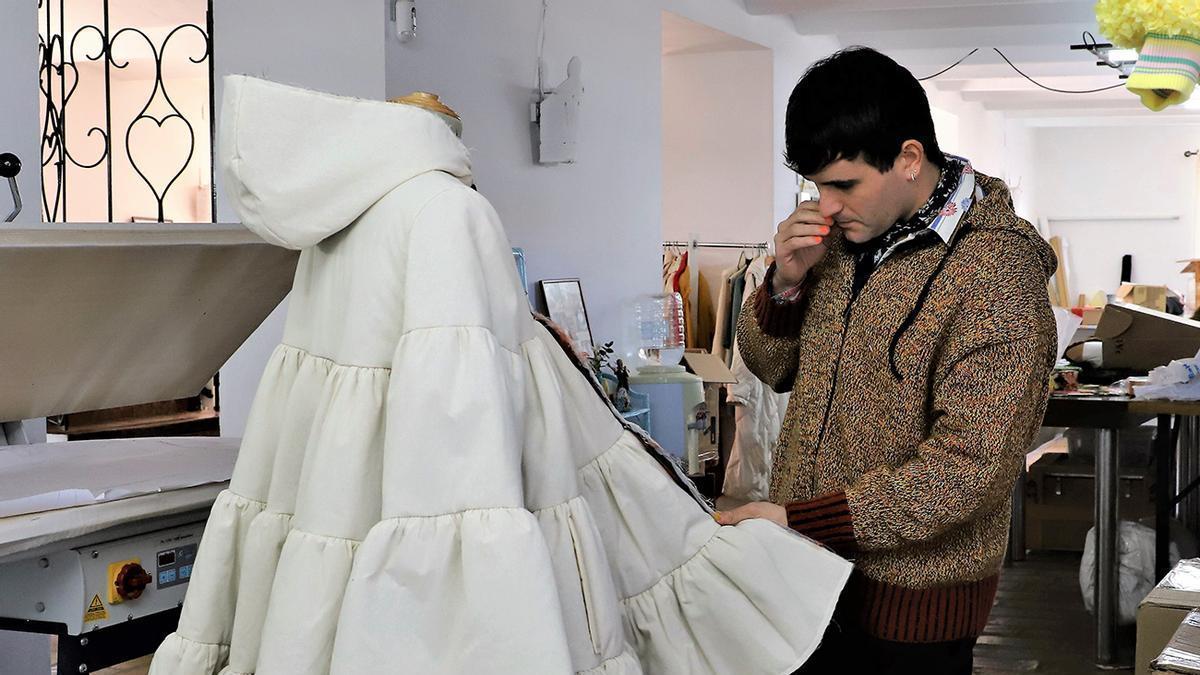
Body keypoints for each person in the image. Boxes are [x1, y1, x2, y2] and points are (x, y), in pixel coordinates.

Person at [715, 46, 1058, 675]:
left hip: (912, 613)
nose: (827, 204)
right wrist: (785, 284)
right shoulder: (842, 244)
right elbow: (771, 368)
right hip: (809, 581)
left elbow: (968, 470)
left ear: (907, 158)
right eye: (816, 186)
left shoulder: (996, 272)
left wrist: (800, 518)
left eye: (843, 184)